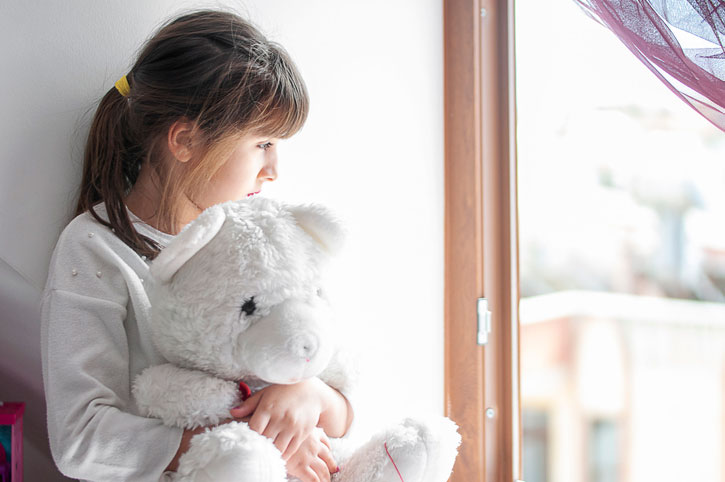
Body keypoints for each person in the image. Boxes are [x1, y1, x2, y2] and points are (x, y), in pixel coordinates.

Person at [40, 9, 353, 482]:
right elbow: (81, 439)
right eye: (262, 144)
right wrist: (252, 443)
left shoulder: (269, 236)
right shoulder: (94, 249)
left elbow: (343, 399)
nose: (274, 171)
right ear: (185, 140)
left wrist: (310, 394)